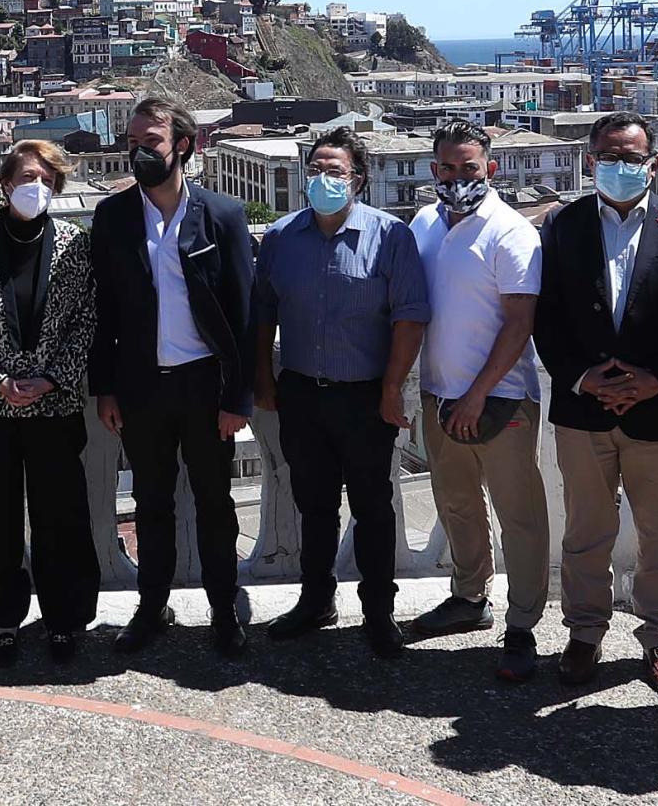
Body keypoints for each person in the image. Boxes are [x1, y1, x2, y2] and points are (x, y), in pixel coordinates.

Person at [533, 112, 658, 695]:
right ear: (590, 160)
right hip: (584, 410)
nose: (621, 166)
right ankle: (585, 632)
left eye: (632, 157)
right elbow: (545, 318)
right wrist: (584, 378)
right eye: (609, 156)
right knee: (586, 528)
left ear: (653, 163)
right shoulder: (562, 226)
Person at [91, 96, 255, 658]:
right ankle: (151, 606)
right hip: (141, 389)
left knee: (215, 504)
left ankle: (223, 610)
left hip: (205, 387)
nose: (138, 152)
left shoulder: (223, 216)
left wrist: (238, 396)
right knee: (152, 504)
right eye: (132, 142)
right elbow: (103, 312)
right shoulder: (112, 219)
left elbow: (243, 314)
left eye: (150, 142)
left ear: (183, 145)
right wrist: (105, 388)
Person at [252, 128, 427, 658]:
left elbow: (410, 316)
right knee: (314, 504)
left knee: (373, 507)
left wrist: (393, 388)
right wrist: (262, 378)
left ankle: (379, 611)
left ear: (358, 178)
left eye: (336, 171)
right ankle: (316, 600)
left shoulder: (390, 235)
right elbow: (262, 313)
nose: (324, 179)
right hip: (303, 393)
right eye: (317, 170)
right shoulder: (281, 237)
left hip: (367, 396)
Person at [0, 141, 100, 666]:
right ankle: (4, 619)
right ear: (5, 183)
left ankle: (65, 619)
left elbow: (85, 321)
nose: (37, 187)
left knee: (61, 517)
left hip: (53, 408)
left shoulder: (75, 245)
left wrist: (52, 378)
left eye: (48, 179)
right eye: (28, 177)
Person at [408, 119, 549, 683]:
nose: (457, 177)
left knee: (519, 517)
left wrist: (476, 394)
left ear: (490, 168)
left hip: (501, 401)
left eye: (470, 168)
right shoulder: (422, 224)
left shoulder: (511, 232)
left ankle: (523, 626)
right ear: (433, 168)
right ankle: (469, 598)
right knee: (458, 505)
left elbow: (518, 323)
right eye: (447, 167)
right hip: (439, 396)